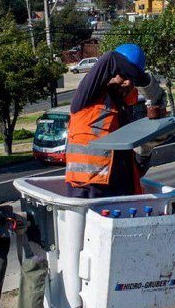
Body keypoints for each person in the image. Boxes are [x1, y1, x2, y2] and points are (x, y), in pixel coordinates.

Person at [65, 44, 164, 198]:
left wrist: (144, 152)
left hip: (119, 191)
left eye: (132, 80)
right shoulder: (86, 99)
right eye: (124, 75)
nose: (128, 83)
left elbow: (131, 166)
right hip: (88, 189)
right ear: (109, 72)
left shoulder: (123, 111)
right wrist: (145, 81)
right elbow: (110, 58)